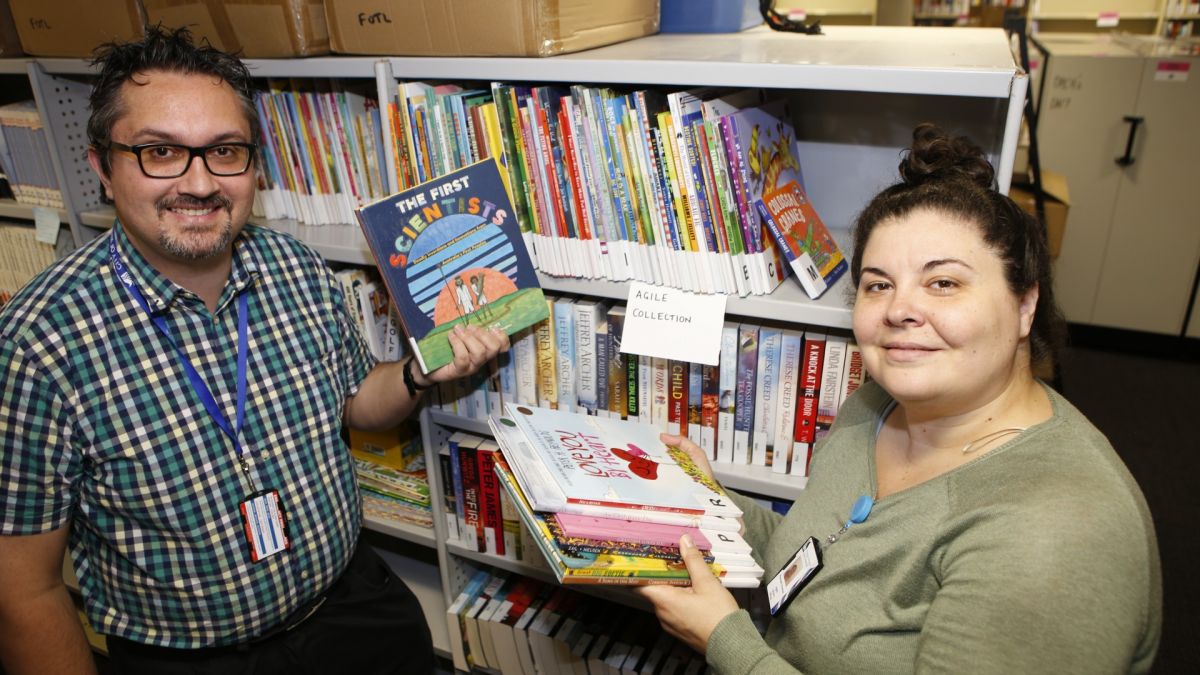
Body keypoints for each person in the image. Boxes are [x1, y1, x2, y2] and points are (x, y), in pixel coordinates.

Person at [0, 26, 508, 675]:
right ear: (101, 165)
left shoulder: (296, 268)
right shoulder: (38, 343)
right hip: (195, 660)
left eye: (225, 151)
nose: (200, 182)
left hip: (352, 613)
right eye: (160, 151)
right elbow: (23, 588)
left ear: (255, 166)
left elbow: (357, 403)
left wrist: (417, 371)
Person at [639, 124, 1162, 674]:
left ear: (1025, 304)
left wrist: (727, 644)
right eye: (878, 284)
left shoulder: (1058, 533)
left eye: (943, 284)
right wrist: (713, 500)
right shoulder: (873, 407)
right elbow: (821, 558)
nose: (898, 310)